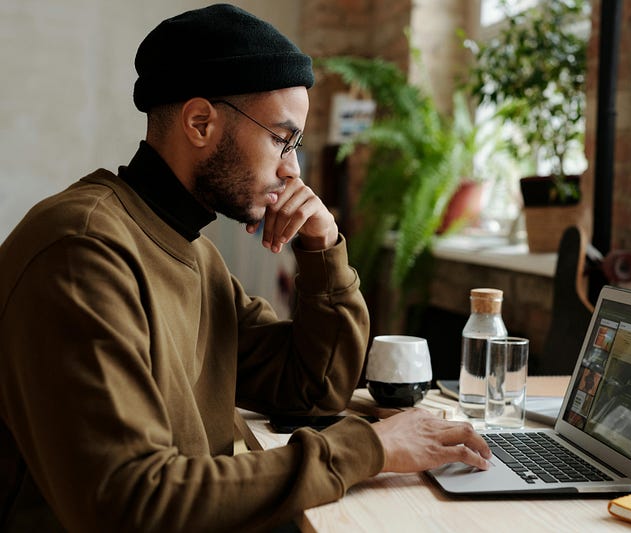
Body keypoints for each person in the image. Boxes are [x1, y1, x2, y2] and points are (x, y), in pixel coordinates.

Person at [0, 4, 490, 531]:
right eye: (282, 139)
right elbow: (130, 503)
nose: (293, 171)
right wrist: (367, 449)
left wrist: (323, 250)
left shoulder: (194, 254)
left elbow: (312, 388)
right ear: (200, 122)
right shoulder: (83, 251)